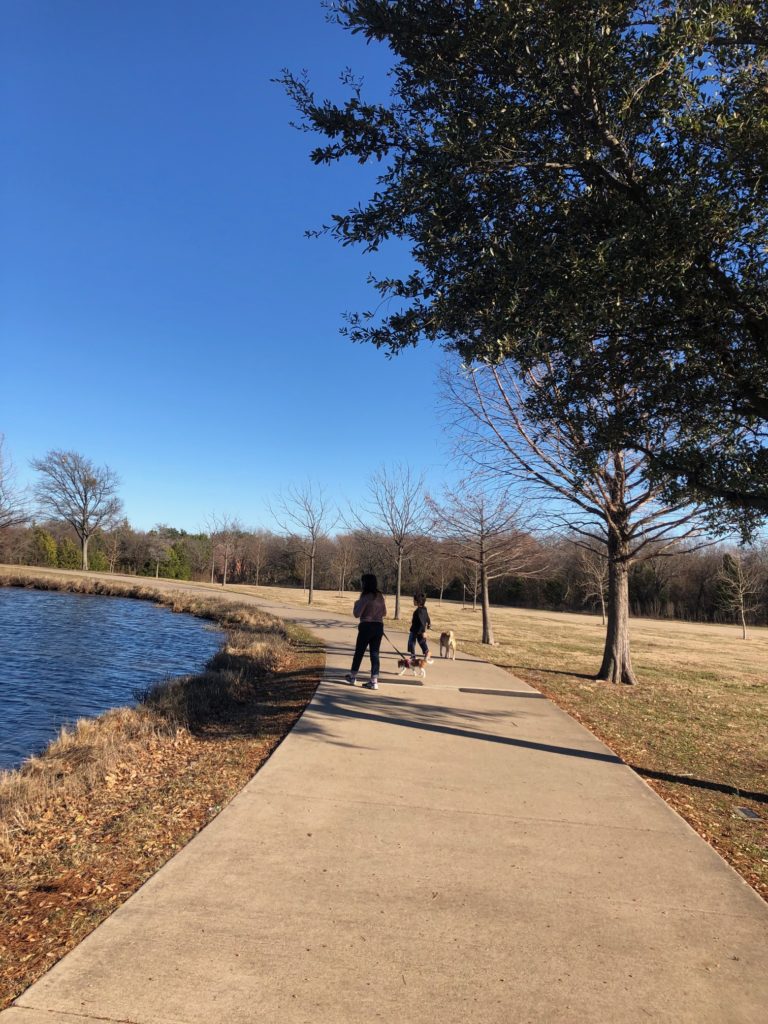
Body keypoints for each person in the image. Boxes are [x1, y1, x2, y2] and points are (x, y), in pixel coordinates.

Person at [345, 573, 387, 689]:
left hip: (366, 626)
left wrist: (356, 604)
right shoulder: (380, 596)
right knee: (375, 653)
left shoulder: (365, 597)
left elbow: (356, 614)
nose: (361, 584)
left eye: (362, 582)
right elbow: (384, 613)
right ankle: (374, 680)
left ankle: (353, 676)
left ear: (365, 583)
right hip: (378, 626)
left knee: (359, 651)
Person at [408, 592, 433, 663]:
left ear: (417, 601)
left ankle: (413, 656)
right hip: (419, 629)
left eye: (414, 600)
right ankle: (426, 652)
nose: (413, 601)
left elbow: (422, 621)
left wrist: (423, 631)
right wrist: (429, 625)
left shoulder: (419, 611)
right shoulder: (424, 609)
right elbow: (427, 618)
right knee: (421, 641)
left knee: (411, 642)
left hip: (416, 630)